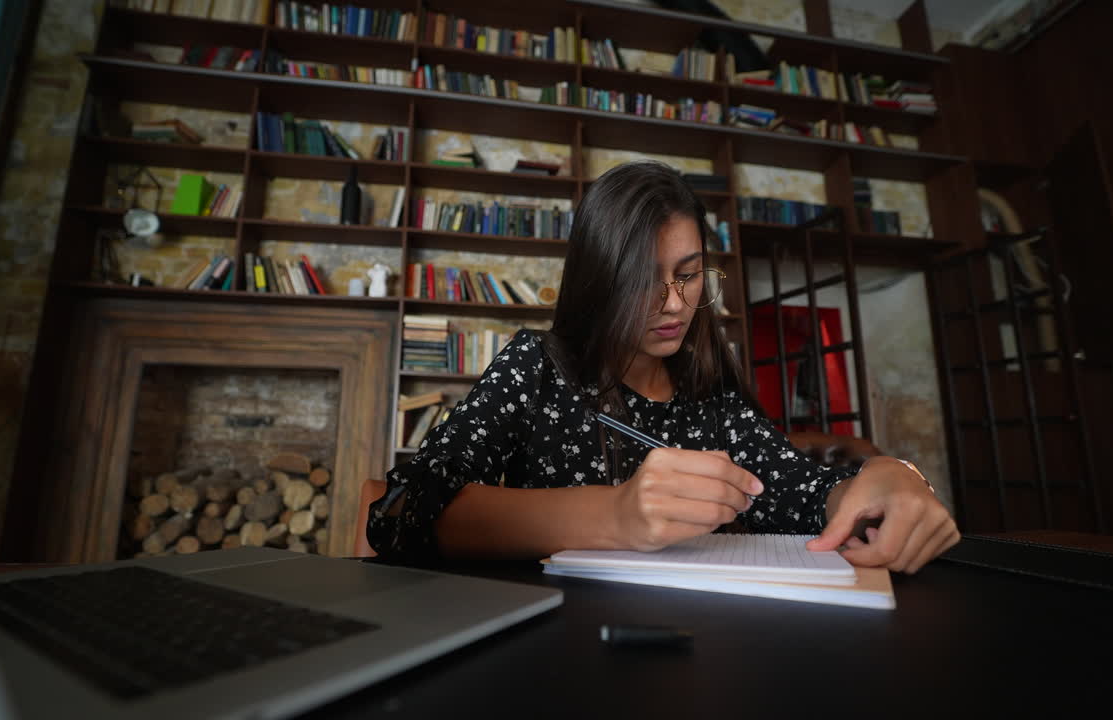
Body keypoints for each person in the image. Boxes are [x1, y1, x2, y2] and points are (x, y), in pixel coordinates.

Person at [369, 160, 958, 573]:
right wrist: (614, 514)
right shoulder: (537, 367)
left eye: (688, 273)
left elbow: (805, 495)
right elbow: (400, 510)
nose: (675, 304)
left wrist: (890, 477)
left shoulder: (713, 398)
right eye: (643, 281)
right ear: (599, 281)